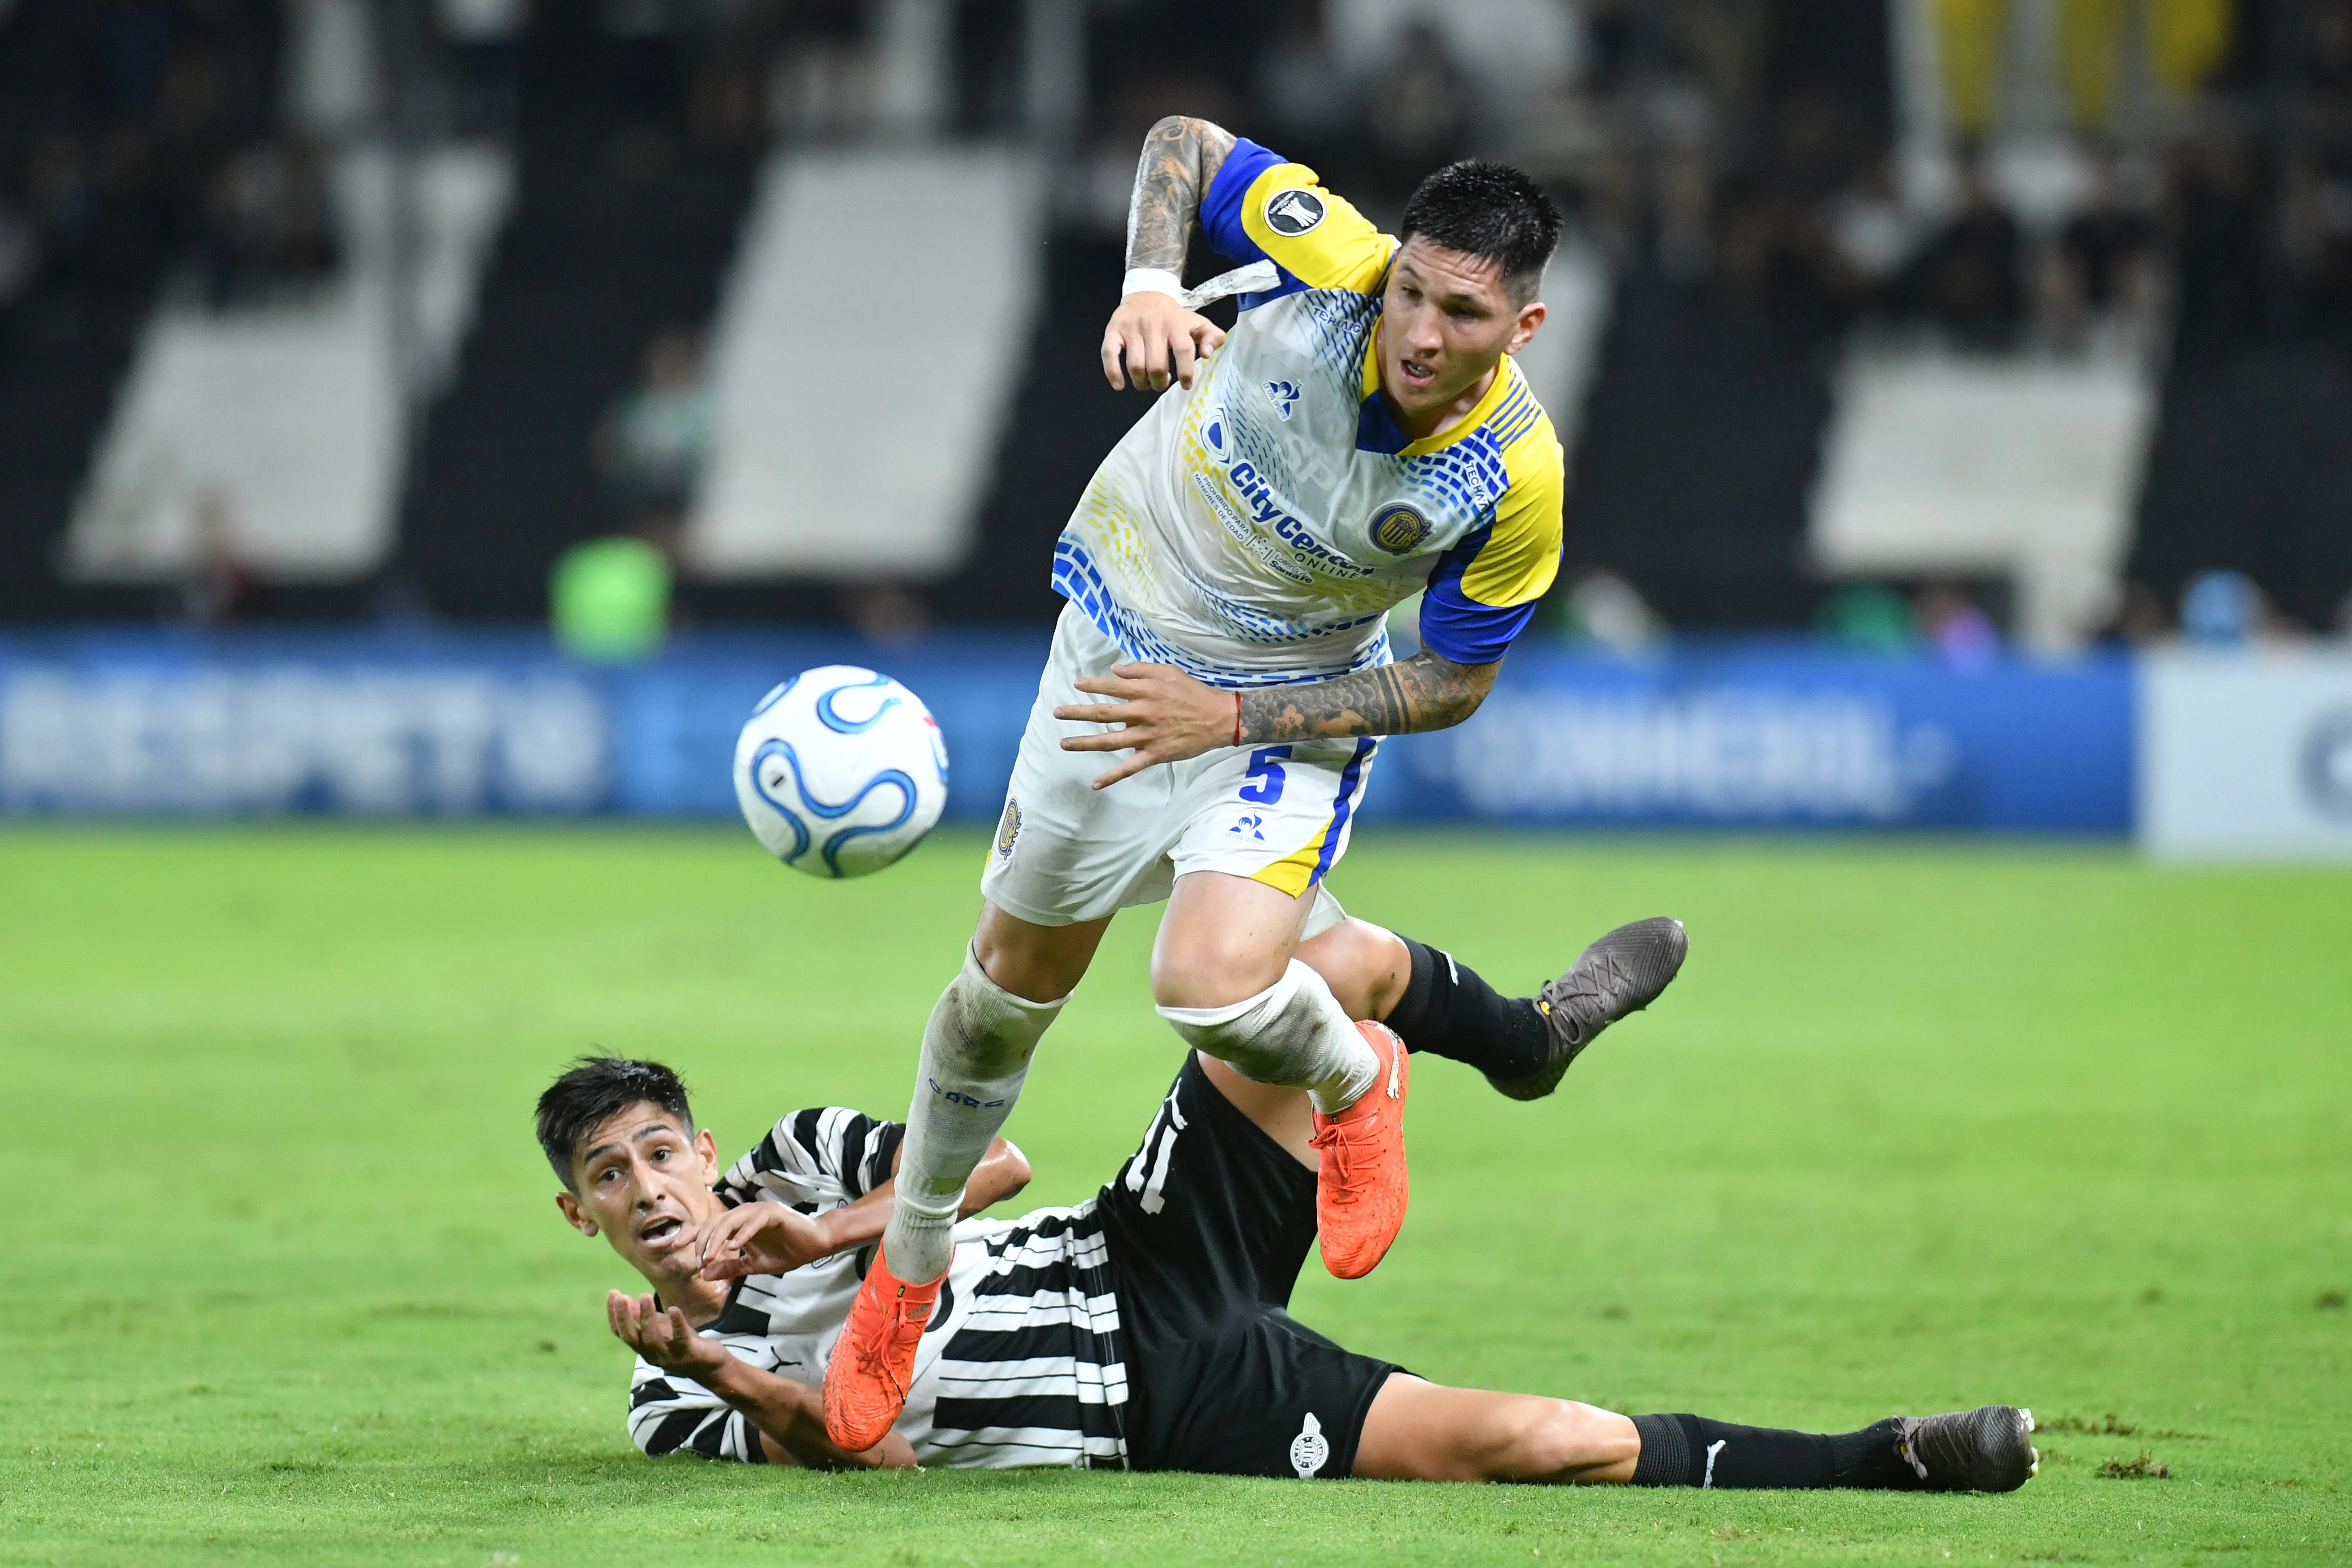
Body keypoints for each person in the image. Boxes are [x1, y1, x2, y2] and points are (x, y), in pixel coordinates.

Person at [829, 110, 1692, 1454]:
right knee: (1003, 997)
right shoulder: (1324, 268)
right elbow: (1177, 142)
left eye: (1459, 311)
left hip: (1278, 708)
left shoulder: (1514, 477)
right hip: (1119, 648)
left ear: (1520, 331)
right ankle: (911, 1265)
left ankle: (1358, 1083)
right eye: (1410, 287)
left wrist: (1230, 712)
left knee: (1208, 983)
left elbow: (1454, 681)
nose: (1416, 328)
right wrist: (1154, 282)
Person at [538, 1039, 2039, 1490]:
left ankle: (1515, 1028)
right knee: (1539, 1441)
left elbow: (992, 1165)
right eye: (610, 1176)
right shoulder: (672, 1407)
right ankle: (1886, 1457)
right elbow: (865, 1458)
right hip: (1178, 1405)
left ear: (703, 1141)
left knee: (1268, 983)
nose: (650, 1186)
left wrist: (832, 1228)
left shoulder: (798, 1156)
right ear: (581, 1218)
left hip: (1131, 1251)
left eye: (659, 1149)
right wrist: (715, 1359)